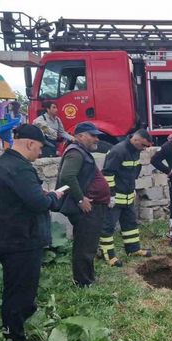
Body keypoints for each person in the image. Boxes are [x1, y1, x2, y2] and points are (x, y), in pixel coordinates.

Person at [0, 124, 64, 341]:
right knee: (19, 291)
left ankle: (16, 332)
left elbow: (26, 196)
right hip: (20, 239)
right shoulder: (19, 168)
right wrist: (54, 197)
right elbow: (38, 202)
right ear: (29, 143)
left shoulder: (2, 164)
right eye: (40, 148)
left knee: (16, 288)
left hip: (11, 237)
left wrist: (43, 195)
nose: (41, 154)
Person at [56, 122, 110, 287]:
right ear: (80, 136)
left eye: (96, 136)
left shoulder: (82, 152)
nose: (96, 139)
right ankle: (82, 282)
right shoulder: (75, 152)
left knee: (89, 244)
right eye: (92, 135)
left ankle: (88, 277)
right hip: (86, 208)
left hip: (93, 207)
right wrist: (81, 199)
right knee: (84, 246)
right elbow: (67, 176)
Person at [99, 129, 153, 267]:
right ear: (135, 140)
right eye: (143, 145)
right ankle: (108, 256)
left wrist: (132, 189)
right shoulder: (118, 151)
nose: (145, 149)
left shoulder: (135, 150)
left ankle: (133, 250)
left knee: (130, 225)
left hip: (128, 196)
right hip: (116, 198)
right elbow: (107, 174)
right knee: (108, 227)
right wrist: (110, 195)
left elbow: (131, 173)